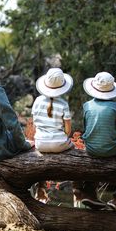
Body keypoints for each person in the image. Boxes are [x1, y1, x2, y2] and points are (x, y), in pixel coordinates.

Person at [73, 71, 116, 210]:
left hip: (91, 149)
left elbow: (88, 129)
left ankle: (88, 192)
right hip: (111, 151)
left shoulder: (87, 105)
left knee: (94, 158)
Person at [31, 68, 74, 202]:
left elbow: (33, 126)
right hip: (59, 143)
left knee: (41, 157)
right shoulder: (63, 104)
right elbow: (68, 130)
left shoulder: (37, 101)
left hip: (40, 143)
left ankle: (40, 187)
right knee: (74, 149)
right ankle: (79, 189)